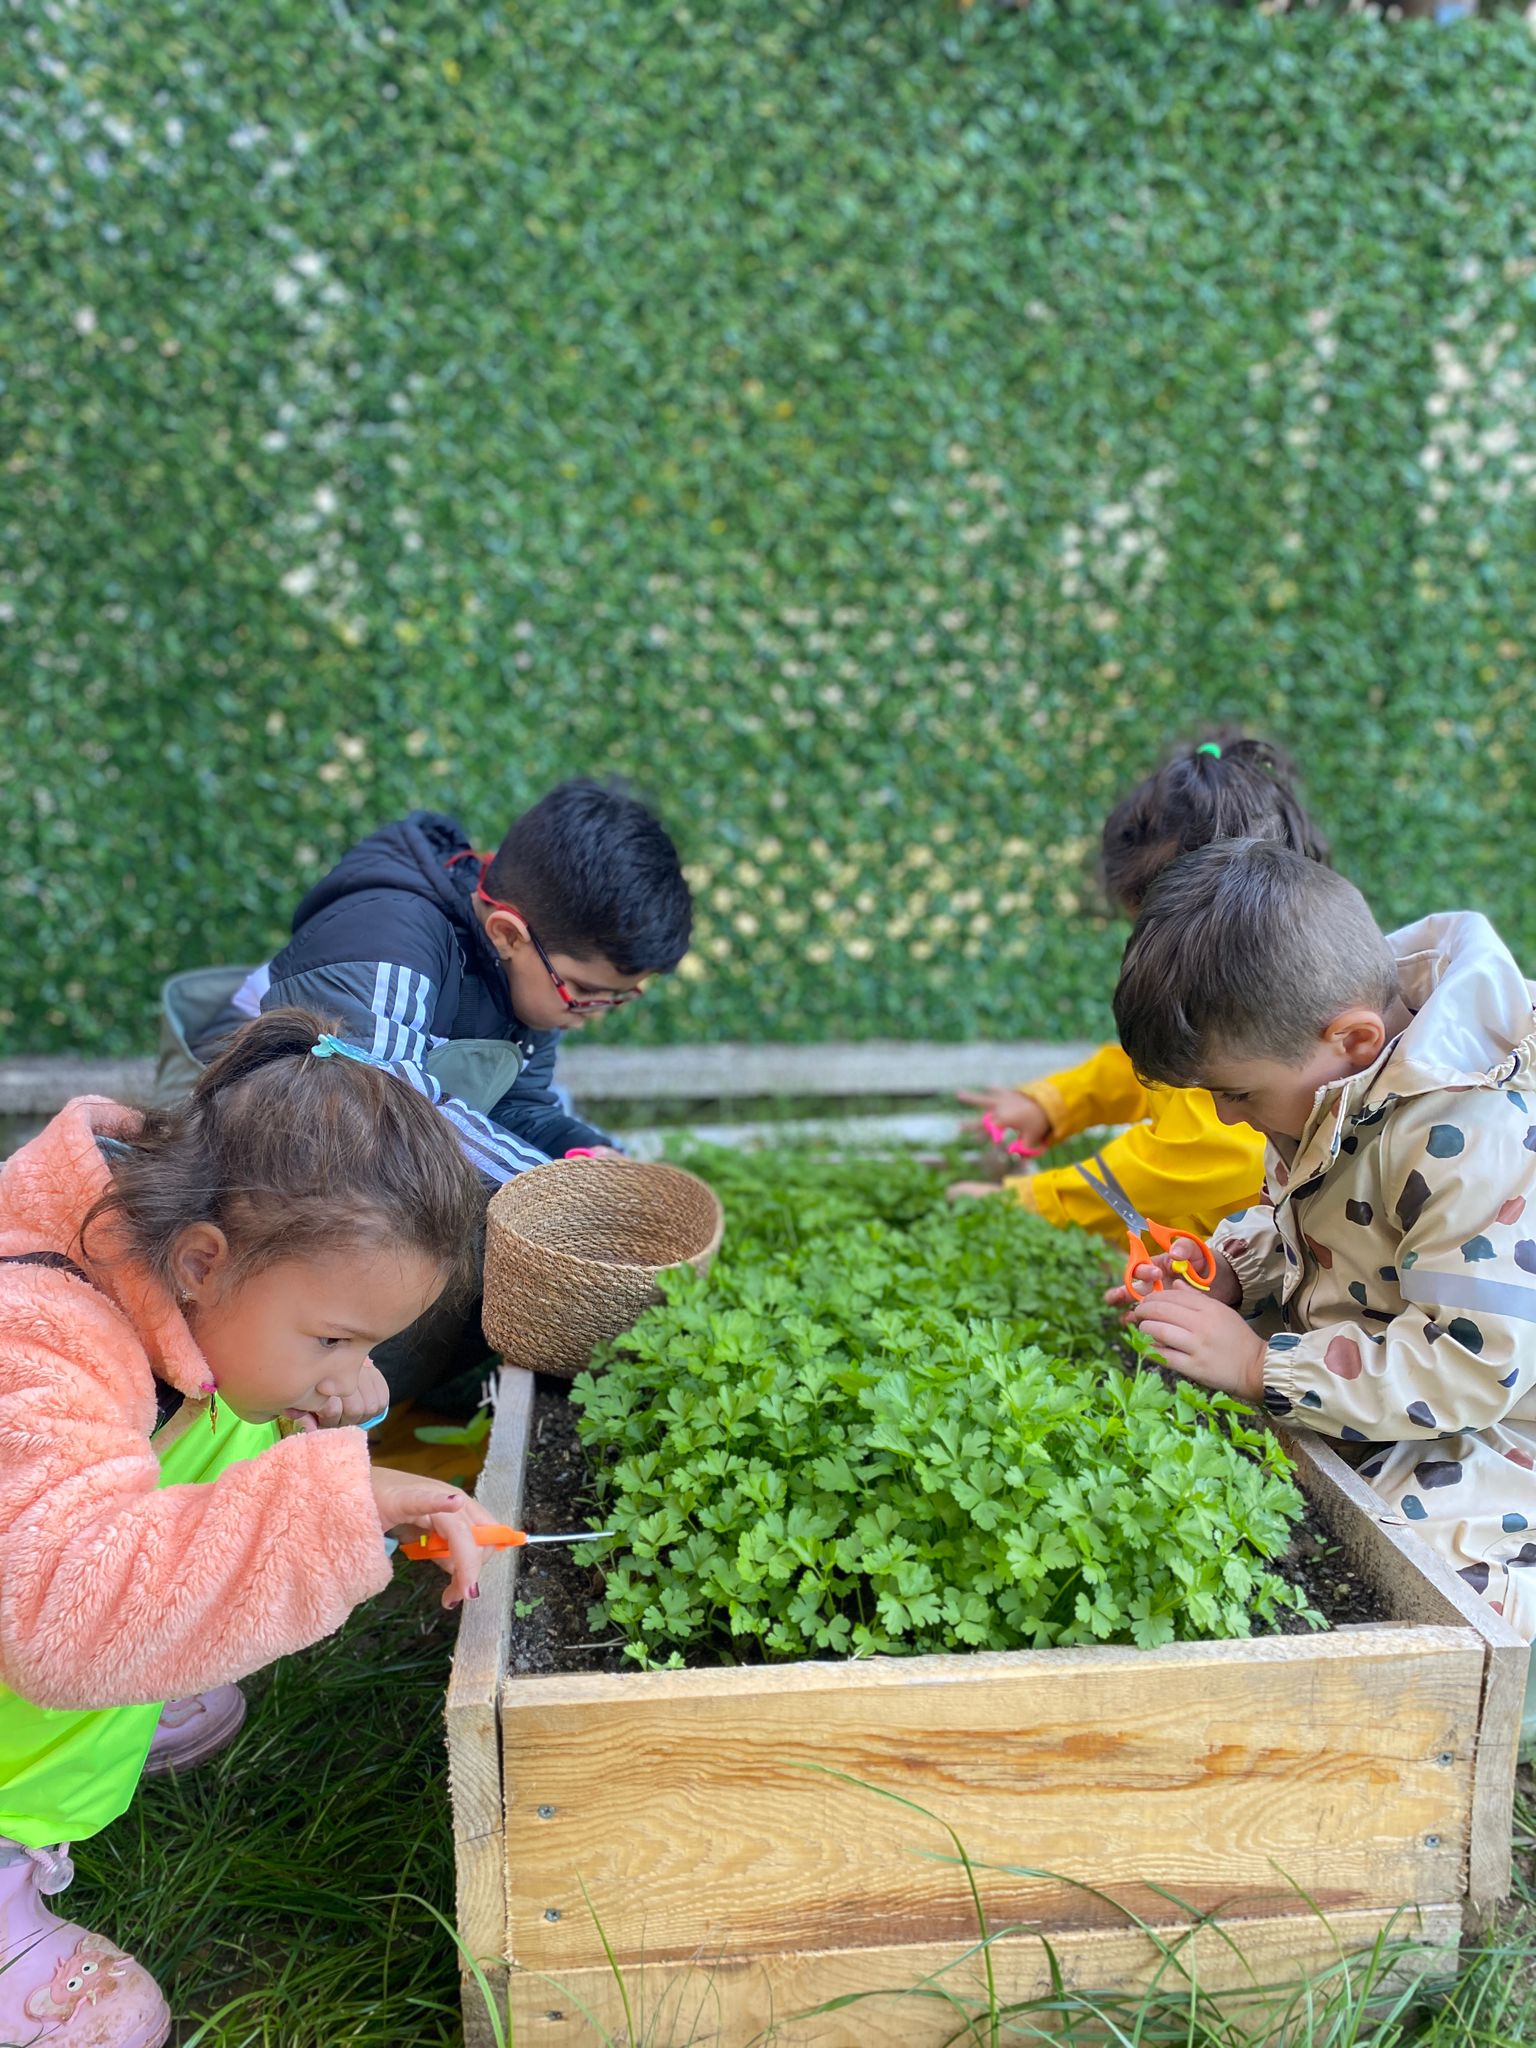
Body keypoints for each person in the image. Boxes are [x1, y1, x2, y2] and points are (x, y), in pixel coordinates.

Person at [0, 1011, 496, 2043]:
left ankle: (136, 1690)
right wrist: (337, 1503)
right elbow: (50, 1615)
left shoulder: (171, 1246)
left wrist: (324, 1374)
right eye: (335, 1335)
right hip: (37, 1614)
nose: (351, 1374)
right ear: (202, 1260)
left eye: (372, 1342)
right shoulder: (38, 1342)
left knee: (236, 1395)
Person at [1111, 840, 1536, 1638]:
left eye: (1234, 1092)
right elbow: (1311, 1224)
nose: (1227, 1117)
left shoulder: (1474, 1138)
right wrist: (1234, 1275)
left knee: (1422, 1573)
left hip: (1504, 1424)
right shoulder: (1345, 1081)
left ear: (1354, 1040)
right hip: (1403, 1375)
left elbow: (1474, 1364)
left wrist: (1255, 1364)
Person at [159, 779, 693, 1403]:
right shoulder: (388, 931)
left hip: (365, 1127)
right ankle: (285, 1393)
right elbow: (379, 1099)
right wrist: (565, 1193)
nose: (600, 1010)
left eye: (624, 996)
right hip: (251, 1131)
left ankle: (379, 1381)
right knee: (422, 1241)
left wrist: (585, 1155)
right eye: (586, 991)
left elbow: (520, 1107)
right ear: (508, 934)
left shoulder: (532, 982)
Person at [947, 736, 1329, 1241]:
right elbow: (1153, 1073)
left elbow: (1183, 1160)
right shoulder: (1242, 971)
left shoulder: (1267, 1013)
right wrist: (1053, 1103)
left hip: (1265, 1270)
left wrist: (1027, 1202)